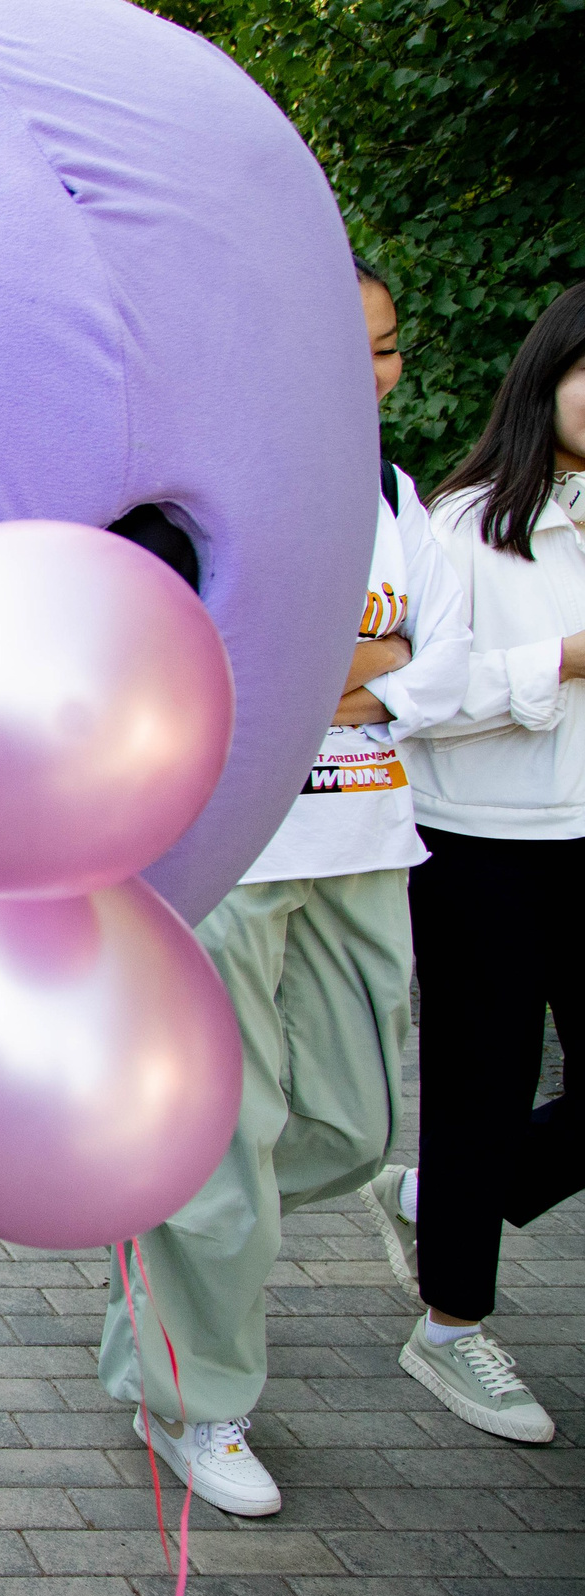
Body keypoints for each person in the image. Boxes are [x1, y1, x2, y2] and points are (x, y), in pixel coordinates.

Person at [94, 258, 472, 1514]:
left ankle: (166, 1246)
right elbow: (186, 657)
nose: (370, 373)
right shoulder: (202, 492)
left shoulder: (395, 494)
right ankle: (194, 1404)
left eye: (386, 346)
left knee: (354, 1129)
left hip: (369, 837)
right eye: (341, 344)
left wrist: (343, 669)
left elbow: (442, 661)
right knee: (229, 1137)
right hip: (236, 851)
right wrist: (363, 662)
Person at [365, 280, 585, 1444]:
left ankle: (443, 1196)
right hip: (480, 844)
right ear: (549, 375)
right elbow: (428, 700)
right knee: (479, 1087)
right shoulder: (458, 523)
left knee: (491, 1131)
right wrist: (563, 659)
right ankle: (451, 1328)